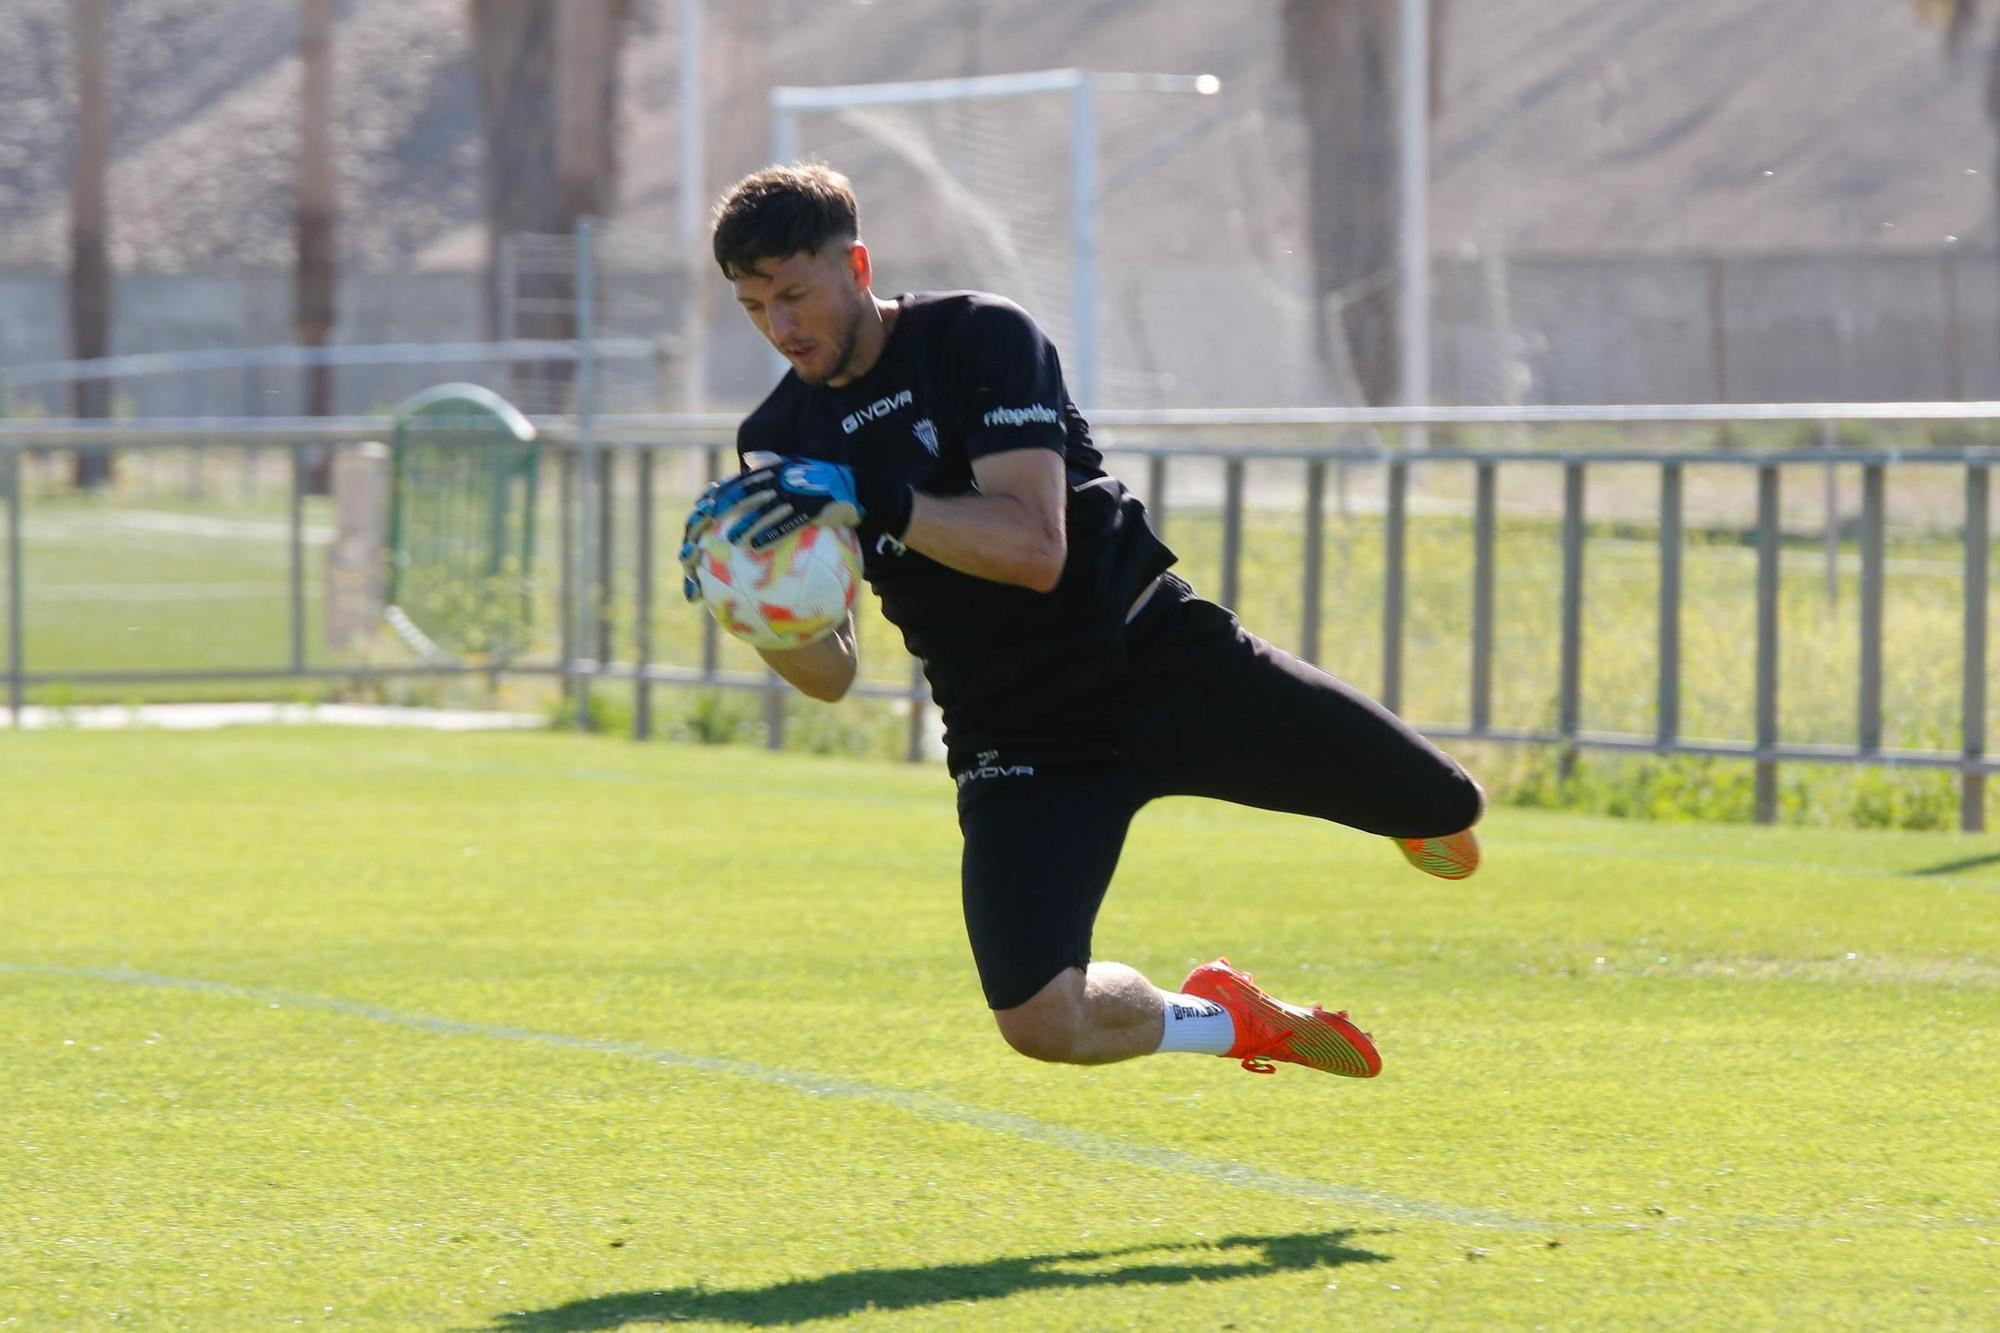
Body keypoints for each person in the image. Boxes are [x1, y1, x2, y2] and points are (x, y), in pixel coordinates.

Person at [679, 163, 1484, 1080]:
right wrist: (756, 609)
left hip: (1160, 663)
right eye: (754, 308)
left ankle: (1401, 804)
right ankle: (1231, 1019)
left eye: (795, 294)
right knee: (1040, 1020)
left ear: (857, 266)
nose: (782, 328)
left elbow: (1036, 549)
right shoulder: (782, 435)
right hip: (1016, 736)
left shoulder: (981, 336)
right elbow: (834, 673)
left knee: (1451, 821)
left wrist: (872, 496)